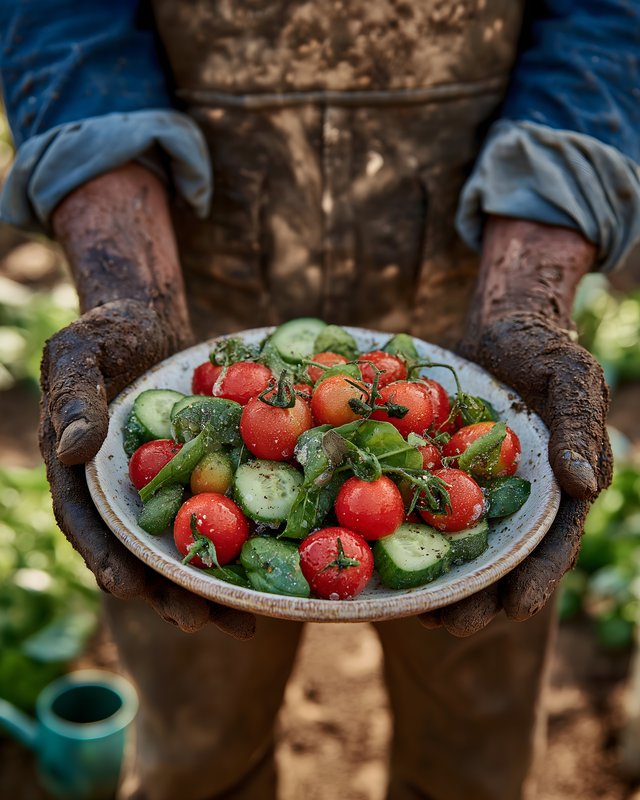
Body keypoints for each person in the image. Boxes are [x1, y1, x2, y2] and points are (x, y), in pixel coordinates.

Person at [0, 2, 636, 798]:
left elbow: (601, 21)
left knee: (474, 744)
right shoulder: (222, 419)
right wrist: (128, 287)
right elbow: (64, 21)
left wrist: (529, 296)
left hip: (473, 316)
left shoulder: (444, 425)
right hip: (197, 318)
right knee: (200, 744)